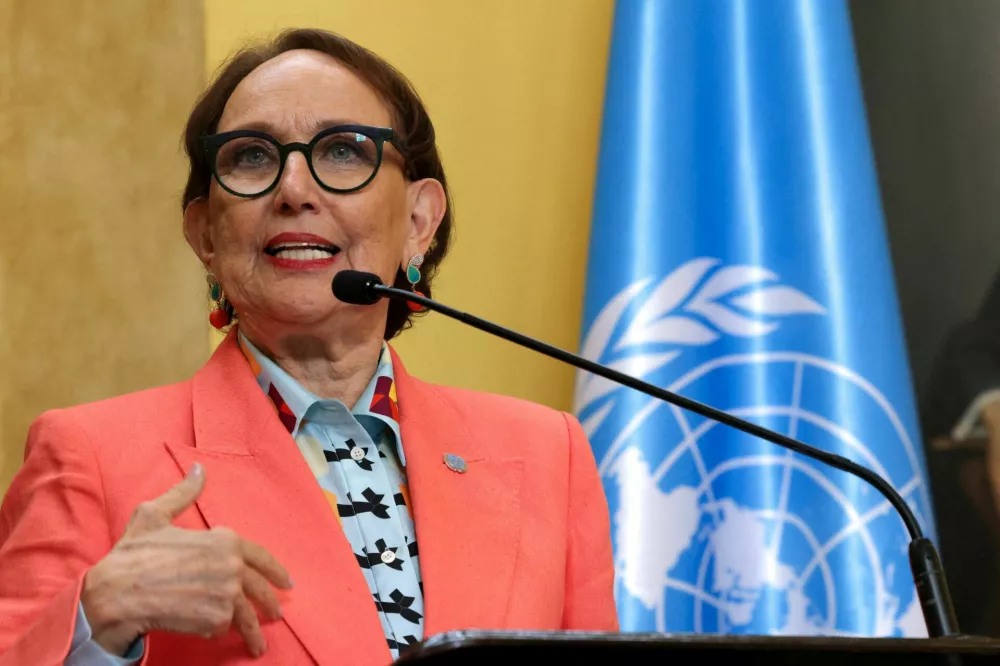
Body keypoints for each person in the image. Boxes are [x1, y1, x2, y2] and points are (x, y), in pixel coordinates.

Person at [0, 28, 618, 666]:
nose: (294, 188)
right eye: (251, 157)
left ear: (417, 222)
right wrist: (94, 625)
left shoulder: (549, 456)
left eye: (344, 151)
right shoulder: (89, 459)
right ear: (205, 234)